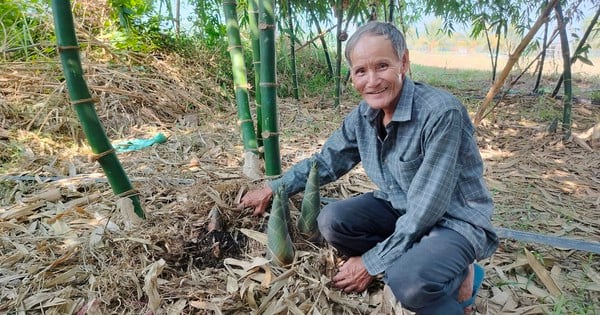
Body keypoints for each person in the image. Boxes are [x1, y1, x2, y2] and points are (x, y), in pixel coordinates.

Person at [239, 21, 498, 315]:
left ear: (404, 62)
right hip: (401, 209)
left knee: (408, 282)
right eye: (361, 71)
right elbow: (325, 162)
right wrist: (274, 188)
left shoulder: (440, 113)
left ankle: (455, 280)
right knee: (333, 221)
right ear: (352, 76)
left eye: (382, 66)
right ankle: (438, 267)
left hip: (453, 221)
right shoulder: (363, 116)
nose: (372, 80)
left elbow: (428, 209)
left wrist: (372, 263)